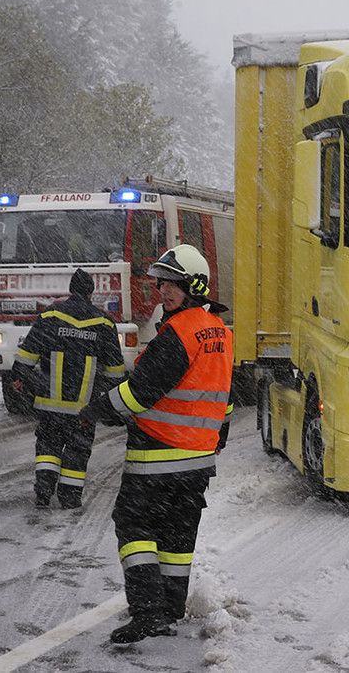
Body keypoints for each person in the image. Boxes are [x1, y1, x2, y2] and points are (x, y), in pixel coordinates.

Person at [78, 244, 234, 644]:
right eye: (161, 284)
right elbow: (224, 393)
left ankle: (148, 612)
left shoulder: (178, 333)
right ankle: (170, 607)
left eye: (173, 285)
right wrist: (218, 434)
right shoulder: (218, 330)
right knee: (177, 537)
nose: (163, 291)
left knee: (133, 525)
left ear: (194, 287)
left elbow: (140, 392)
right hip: (196, 462)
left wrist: (97, 408)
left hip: (157, 456)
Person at [11, 268, 125, 509]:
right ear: (91, 292)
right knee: (77, 452)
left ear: (71, 290)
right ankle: (70, 498)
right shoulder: (104, 323)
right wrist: (108, 400)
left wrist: (18, 376)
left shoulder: (50, 316)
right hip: (84, 409)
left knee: (48, 448)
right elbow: (115, 371)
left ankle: (43, 492)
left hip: (50, 405)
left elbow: (27, 353)